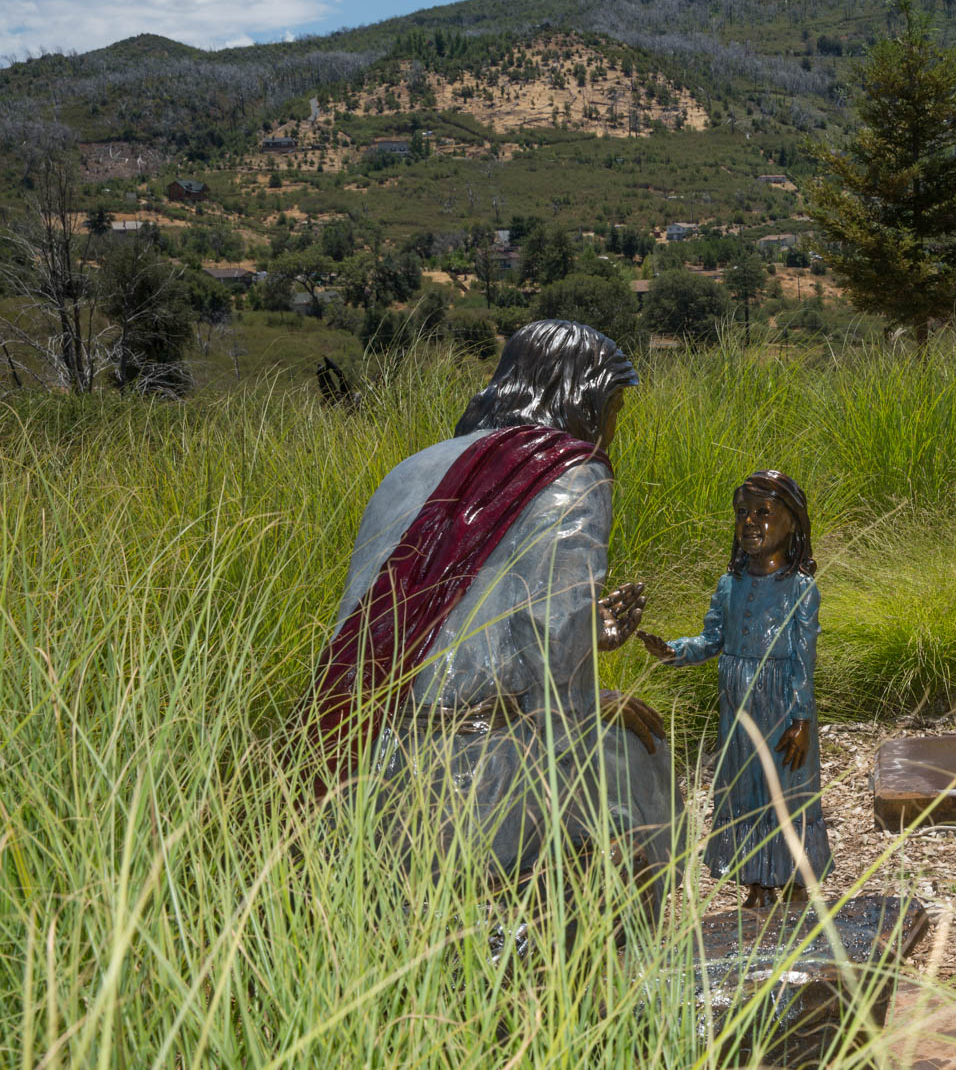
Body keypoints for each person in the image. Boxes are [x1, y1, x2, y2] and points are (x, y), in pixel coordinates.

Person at [308, 319, 674, 900]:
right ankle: (599, 973)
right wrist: (590, 699)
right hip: (485, 759)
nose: (613, 429)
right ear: (584, 399)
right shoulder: (570, 471)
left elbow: (422, 611)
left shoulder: (415, 467)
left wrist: (593, 630)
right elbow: (553, 635)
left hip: (367, 745)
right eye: (615, 410)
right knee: (643, 757)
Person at [638, 471, 831, 908]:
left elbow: (804, 659)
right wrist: (673, 650)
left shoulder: (800, 589)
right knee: (745, 786)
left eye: (764, 512)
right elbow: (711, 641)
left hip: (782, 703)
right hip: (738, 708)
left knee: (787, 786)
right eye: (742, 513)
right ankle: (757, 883)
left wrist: (802, 720)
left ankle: (796, 880)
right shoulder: (730, 586)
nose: (750, 522)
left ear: (793, 522)